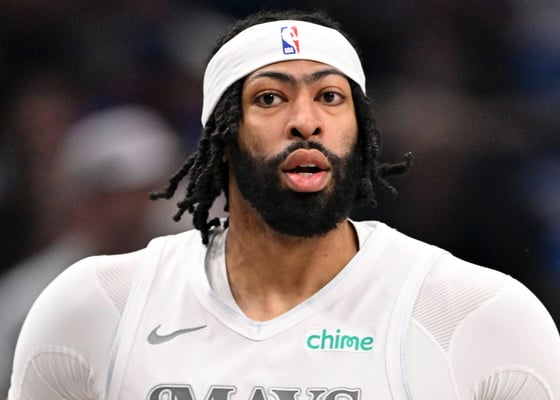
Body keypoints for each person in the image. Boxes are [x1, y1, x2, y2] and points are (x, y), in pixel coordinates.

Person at [7, 9, 560, 400]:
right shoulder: (95, 306)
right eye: (270, 97)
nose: (305, 120)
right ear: (221, 140)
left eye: (330, 97)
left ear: (361, 137)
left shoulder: (479, 315)